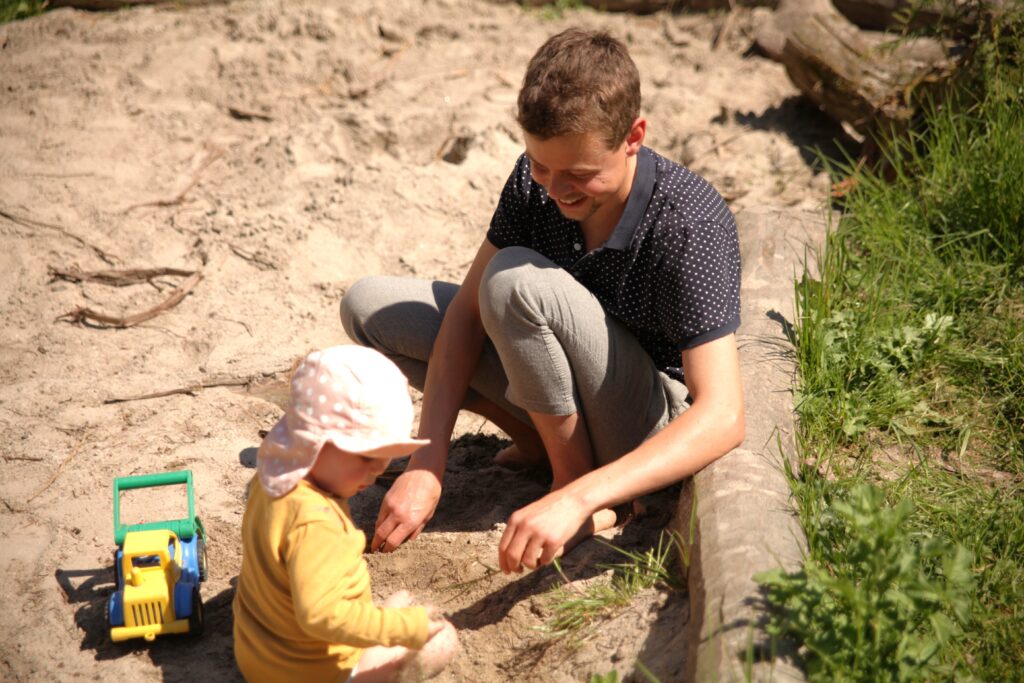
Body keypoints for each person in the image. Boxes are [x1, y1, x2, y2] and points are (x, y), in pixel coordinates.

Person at [340, 28, 745, 575]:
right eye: (541, 166)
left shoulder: (688, 222)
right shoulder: (537, 183)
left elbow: (722, 414)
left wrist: (576, 498)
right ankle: (543, 446)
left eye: (579, 174)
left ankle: (581, 486)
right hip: (562, 384)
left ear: (634, 136)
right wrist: (427, 459)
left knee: (511, 284)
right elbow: (463, 319)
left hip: (648, 424)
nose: (556, 190)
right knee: (369, 308)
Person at [232, 345, 459, 683]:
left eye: (385, 459)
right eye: (367, 458)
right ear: (319, 442)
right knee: (441, 640)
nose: (378, 470)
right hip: (308, 671)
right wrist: (406, 629)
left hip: (258, 652)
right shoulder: (317, 524)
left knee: (401, 601)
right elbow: (322, 616)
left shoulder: (273, 473)